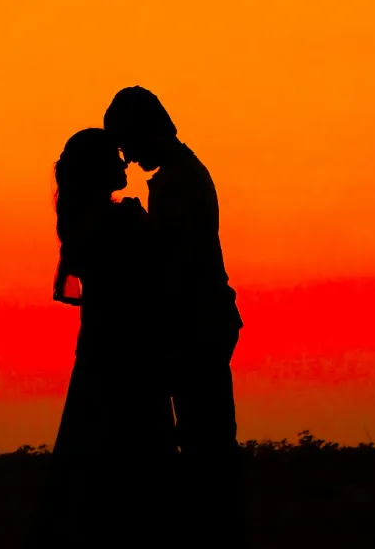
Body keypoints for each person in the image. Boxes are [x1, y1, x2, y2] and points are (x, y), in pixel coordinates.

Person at [104, 86, 246, 546]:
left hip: (197, 327)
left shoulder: (178, 182)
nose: (125, 157)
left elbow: (174, 262)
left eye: (127, 143)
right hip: (202, 322)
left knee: (206, 443)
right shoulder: (179, 176)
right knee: (205, 439)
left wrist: (135, 232)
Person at [36, 128, 177, 548]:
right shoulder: (114, 225)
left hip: (102, 354)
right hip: (126, 361)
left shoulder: (86, 224)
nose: (124, 163)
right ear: (97, 170)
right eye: (115, 156)